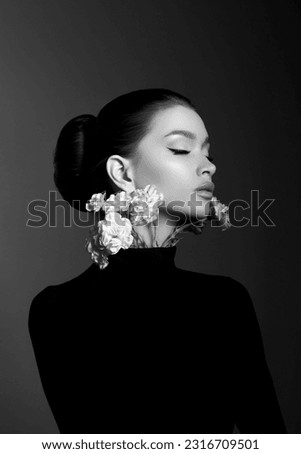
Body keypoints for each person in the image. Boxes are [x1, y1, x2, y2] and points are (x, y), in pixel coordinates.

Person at [28, 88, 287, 434]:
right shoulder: (56, 310)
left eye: (207, 152)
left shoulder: (224, 302)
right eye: (180, 148)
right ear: (121, 173)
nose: (209, 166)